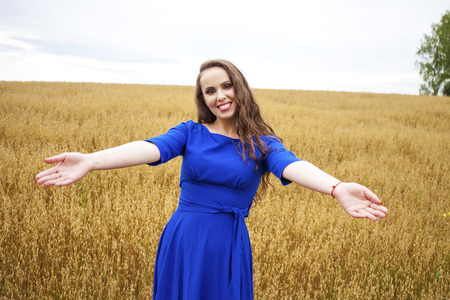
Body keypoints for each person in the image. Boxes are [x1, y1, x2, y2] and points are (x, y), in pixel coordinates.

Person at [35, 59, 388, 300]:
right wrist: (92, 161)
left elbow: (292, 165)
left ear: (240, 88)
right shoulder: (190, 133)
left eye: (226, 86)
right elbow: (150, 148)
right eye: (210, 91)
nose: (220, 96)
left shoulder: (263, 145)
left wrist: (337, 187)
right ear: (203, 99)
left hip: (227, 247)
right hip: (184, 240)